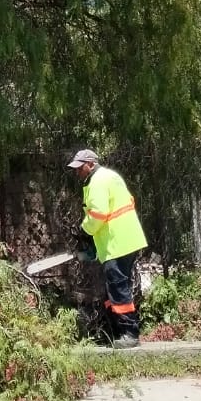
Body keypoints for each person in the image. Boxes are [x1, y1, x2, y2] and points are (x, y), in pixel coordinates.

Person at [67, 148, 148, 348]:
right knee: (115, 287)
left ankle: (129, 333)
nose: (78, 172)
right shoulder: (110, 177)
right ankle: (116, 329)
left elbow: (99, 214)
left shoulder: (98, 181)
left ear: (91, 164)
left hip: (117, 242)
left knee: (118, 288)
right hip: (122, 239)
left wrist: (84, 230)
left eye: (80, 167)